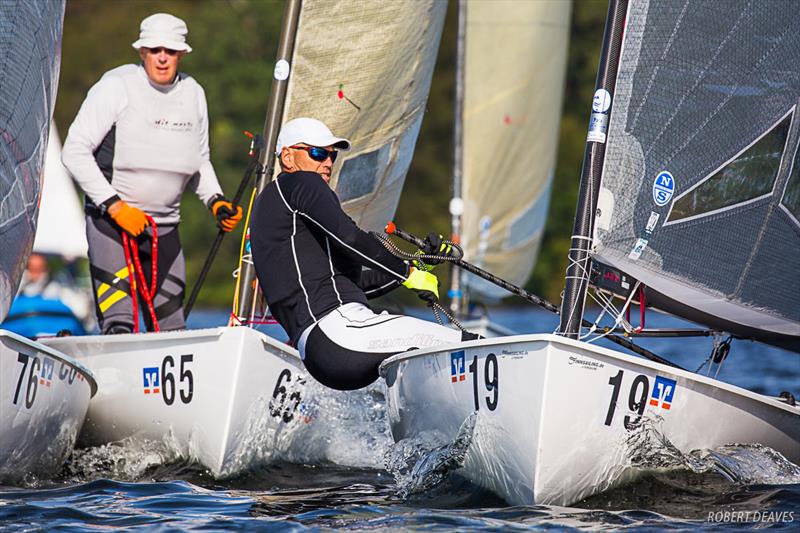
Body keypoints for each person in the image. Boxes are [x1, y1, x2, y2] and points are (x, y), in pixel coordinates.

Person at [250, 118, 477, 391]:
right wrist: (406, 273)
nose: (328, 163)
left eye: (332, 156)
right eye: (318, 153)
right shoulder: (300, 182)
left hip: (322, 352)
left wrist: (418, 265)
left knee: (430, 349)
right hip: (338, 331)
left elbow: (355, 284)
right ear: (287, 156)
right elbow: (350, 238)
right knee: (471, 345)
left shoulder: (274, 208)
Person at [62, 13, 242, 334]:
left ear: (181, 54)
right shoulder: (115, 87)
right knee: (120, 323)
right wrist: (116, 207)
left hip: (165, 229)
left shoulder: (193, 93)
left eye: (170, 51)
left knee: (172, 327)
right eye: (155, 49)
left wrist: (216, 201)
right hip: (112, 225)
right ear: (142, 52)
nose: (162, 58)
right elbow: (74, 151)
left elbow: (200, 159)